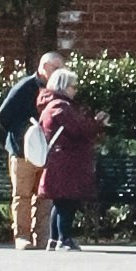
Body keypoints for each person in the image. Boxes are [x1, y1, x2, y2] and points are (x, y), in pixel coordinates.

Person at [35, 66, 103, 253]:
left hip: (59, 161)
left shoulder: (49, 105)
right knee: (68, 202)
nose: (75, 90)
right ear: (63, 87)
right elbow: (79, 130)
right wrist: (97, 123)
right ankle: (65, 239)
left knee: (60, 202)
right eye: (73, 86)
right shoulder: (61, 107)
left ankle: (54, 239)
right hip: (67, 162)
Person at [0, 48, 57, 250]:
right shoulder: (24, 87)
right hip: (22, 151)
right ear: (44, 68)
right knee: (22, 195)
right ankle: (22, 236)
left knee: (44, 196)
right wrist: (23, 135)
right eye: (56, 68)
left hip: (45, 152)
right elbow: (4, 115)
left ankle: (42, 237)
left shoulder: (57, 89)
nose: (60, 73)